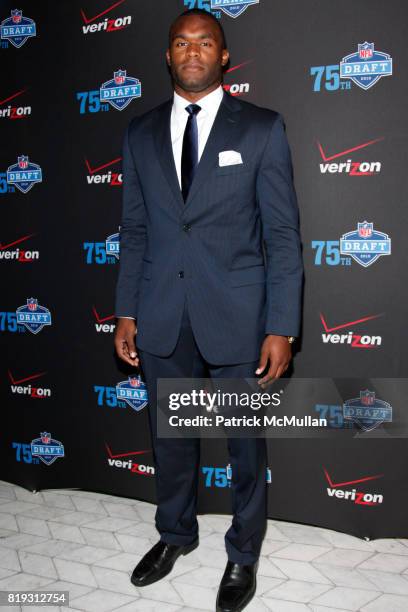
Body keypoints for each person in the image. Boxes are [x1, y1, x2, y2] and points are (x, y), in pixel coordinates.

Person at [114, 8, 303, 611]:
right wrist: (125, 311)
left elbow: (282, 236)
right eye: (180, 42)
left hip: (239, 320)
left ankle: (243, 553)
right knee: (170, 439)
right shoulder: (140, 133)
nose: (191, 50)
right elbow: (136, 231)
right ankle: (176, 535)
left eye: (205, 42)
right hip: (163, 312)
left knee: (244, 444)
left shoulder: (261, 129)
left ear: (224, 56)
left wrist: (282, 326)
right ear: (168, 56)